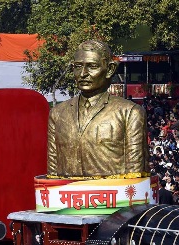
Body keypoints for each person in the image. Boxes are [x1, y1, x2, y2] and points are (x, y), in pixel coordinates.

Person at [47, 39, 147, 178]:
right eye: (78, 66)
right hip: (69, 196)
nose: (83, 74)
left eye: (92, 66)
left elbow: (135, 174)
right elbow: (52, 172)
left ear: (110, 69)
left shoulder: (129, 113)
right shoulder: (58, 113)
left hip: (112, 197)